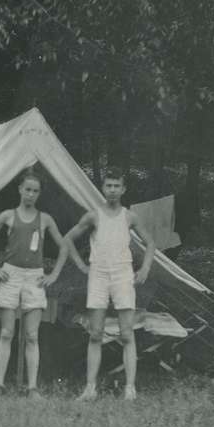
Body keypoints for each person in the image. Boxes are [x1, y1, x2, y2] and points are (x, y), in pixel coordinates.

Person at [62, 168, 156, 400]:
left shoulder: (129, 217)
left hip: (123, 275)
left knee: (126, 333)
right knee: (95, 333)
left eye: (117, 186)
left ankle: (130, 388)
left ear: (123, 189)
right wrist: (83, 266)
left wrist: (144, 268)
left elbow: (151, 243)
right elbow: (67, 239)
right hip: (99, 276)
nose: (112, 190)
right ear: (102, 188)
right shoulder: (93, 215)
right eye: (108, 186)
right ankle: (90, 388)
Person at [0, 171, 70, 397]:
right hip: (10, 276)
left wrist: (54, 274)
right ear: (20, 189)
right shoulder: (8, 215)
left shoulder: (45, 219)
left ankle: (32, 388)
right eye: (27, 189)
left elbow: (65, 246)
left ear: (39, 194)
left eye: (35, 191)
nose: (30, 194)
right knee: (7, 332)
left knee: (32, 335)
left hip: (34, 278)